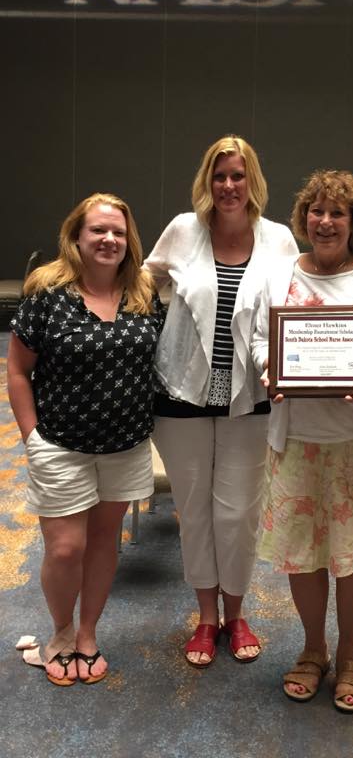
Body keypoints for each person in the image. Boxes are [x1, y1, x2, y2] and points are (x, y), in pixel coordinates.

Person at [251, 169, 353, 712]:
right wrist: (268, 368)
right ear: (304, 219)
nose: (325, 222)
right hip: (297, 439)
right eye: (316, 212)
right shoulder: (278, 276)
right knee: (304, 555)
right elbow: (258, 338)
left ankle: (351, 654)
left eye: (337, 213)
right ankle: (312, 648)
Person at [145, 134, 297, 667]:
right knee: (195, 510)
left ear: (253, 180)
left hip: (250, 397)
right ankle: (206, 618)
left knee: (239, 514)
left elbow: (298, 306)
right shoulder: (184, 231)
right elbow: (144, 281)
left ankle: (238, 613)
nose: (229, 186)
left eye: (238, 175)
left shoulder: (278, 239)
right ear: (207, 181)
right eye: (219, 175)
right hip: (181, 394)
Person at [8, 193, 164, 686]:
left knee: (103, 544)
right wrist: (31, 436)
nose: (109, 239)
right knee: (65, 549)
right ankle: (59, 633)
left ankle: (88, 634)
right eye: (98, 230)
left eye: (118, 231)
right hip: (60, 444)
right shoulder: (47, 292)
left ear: (129, 239)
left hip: (126, 445)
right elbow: (16, 370)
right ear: (76, 235)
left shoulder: (143, 291)